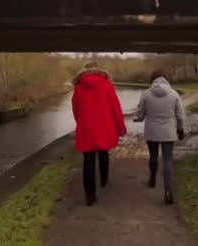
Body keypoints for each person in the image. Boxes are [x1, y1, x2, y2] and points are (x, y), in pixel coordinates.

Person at [72, 62, 127, 206]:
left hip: (87, 129)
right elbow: (115, 108)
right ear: (99, 71)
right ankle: (103, 179)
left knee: (88, 161)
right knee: (104, 153)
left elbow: (76, 110)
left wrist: (81, 123)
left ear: (84, 71)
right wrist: (121, 127)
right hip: (104, 127)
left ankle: (89, 195)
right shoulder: (107, 86)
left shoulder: (78, 88)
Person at [134, 69, 185, 205]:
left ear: (152, 79)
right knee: (167, 160)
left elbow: (140, 114)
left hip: (152, 131)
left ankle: (152, 180)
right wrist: (180, 129)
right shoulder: (174, 94)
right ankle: (168, 191)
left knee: (153, 156)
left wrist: (137, 119)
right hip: (168, 132)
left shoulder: (146, 94)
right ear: (165, 78)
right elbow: (180, 114)